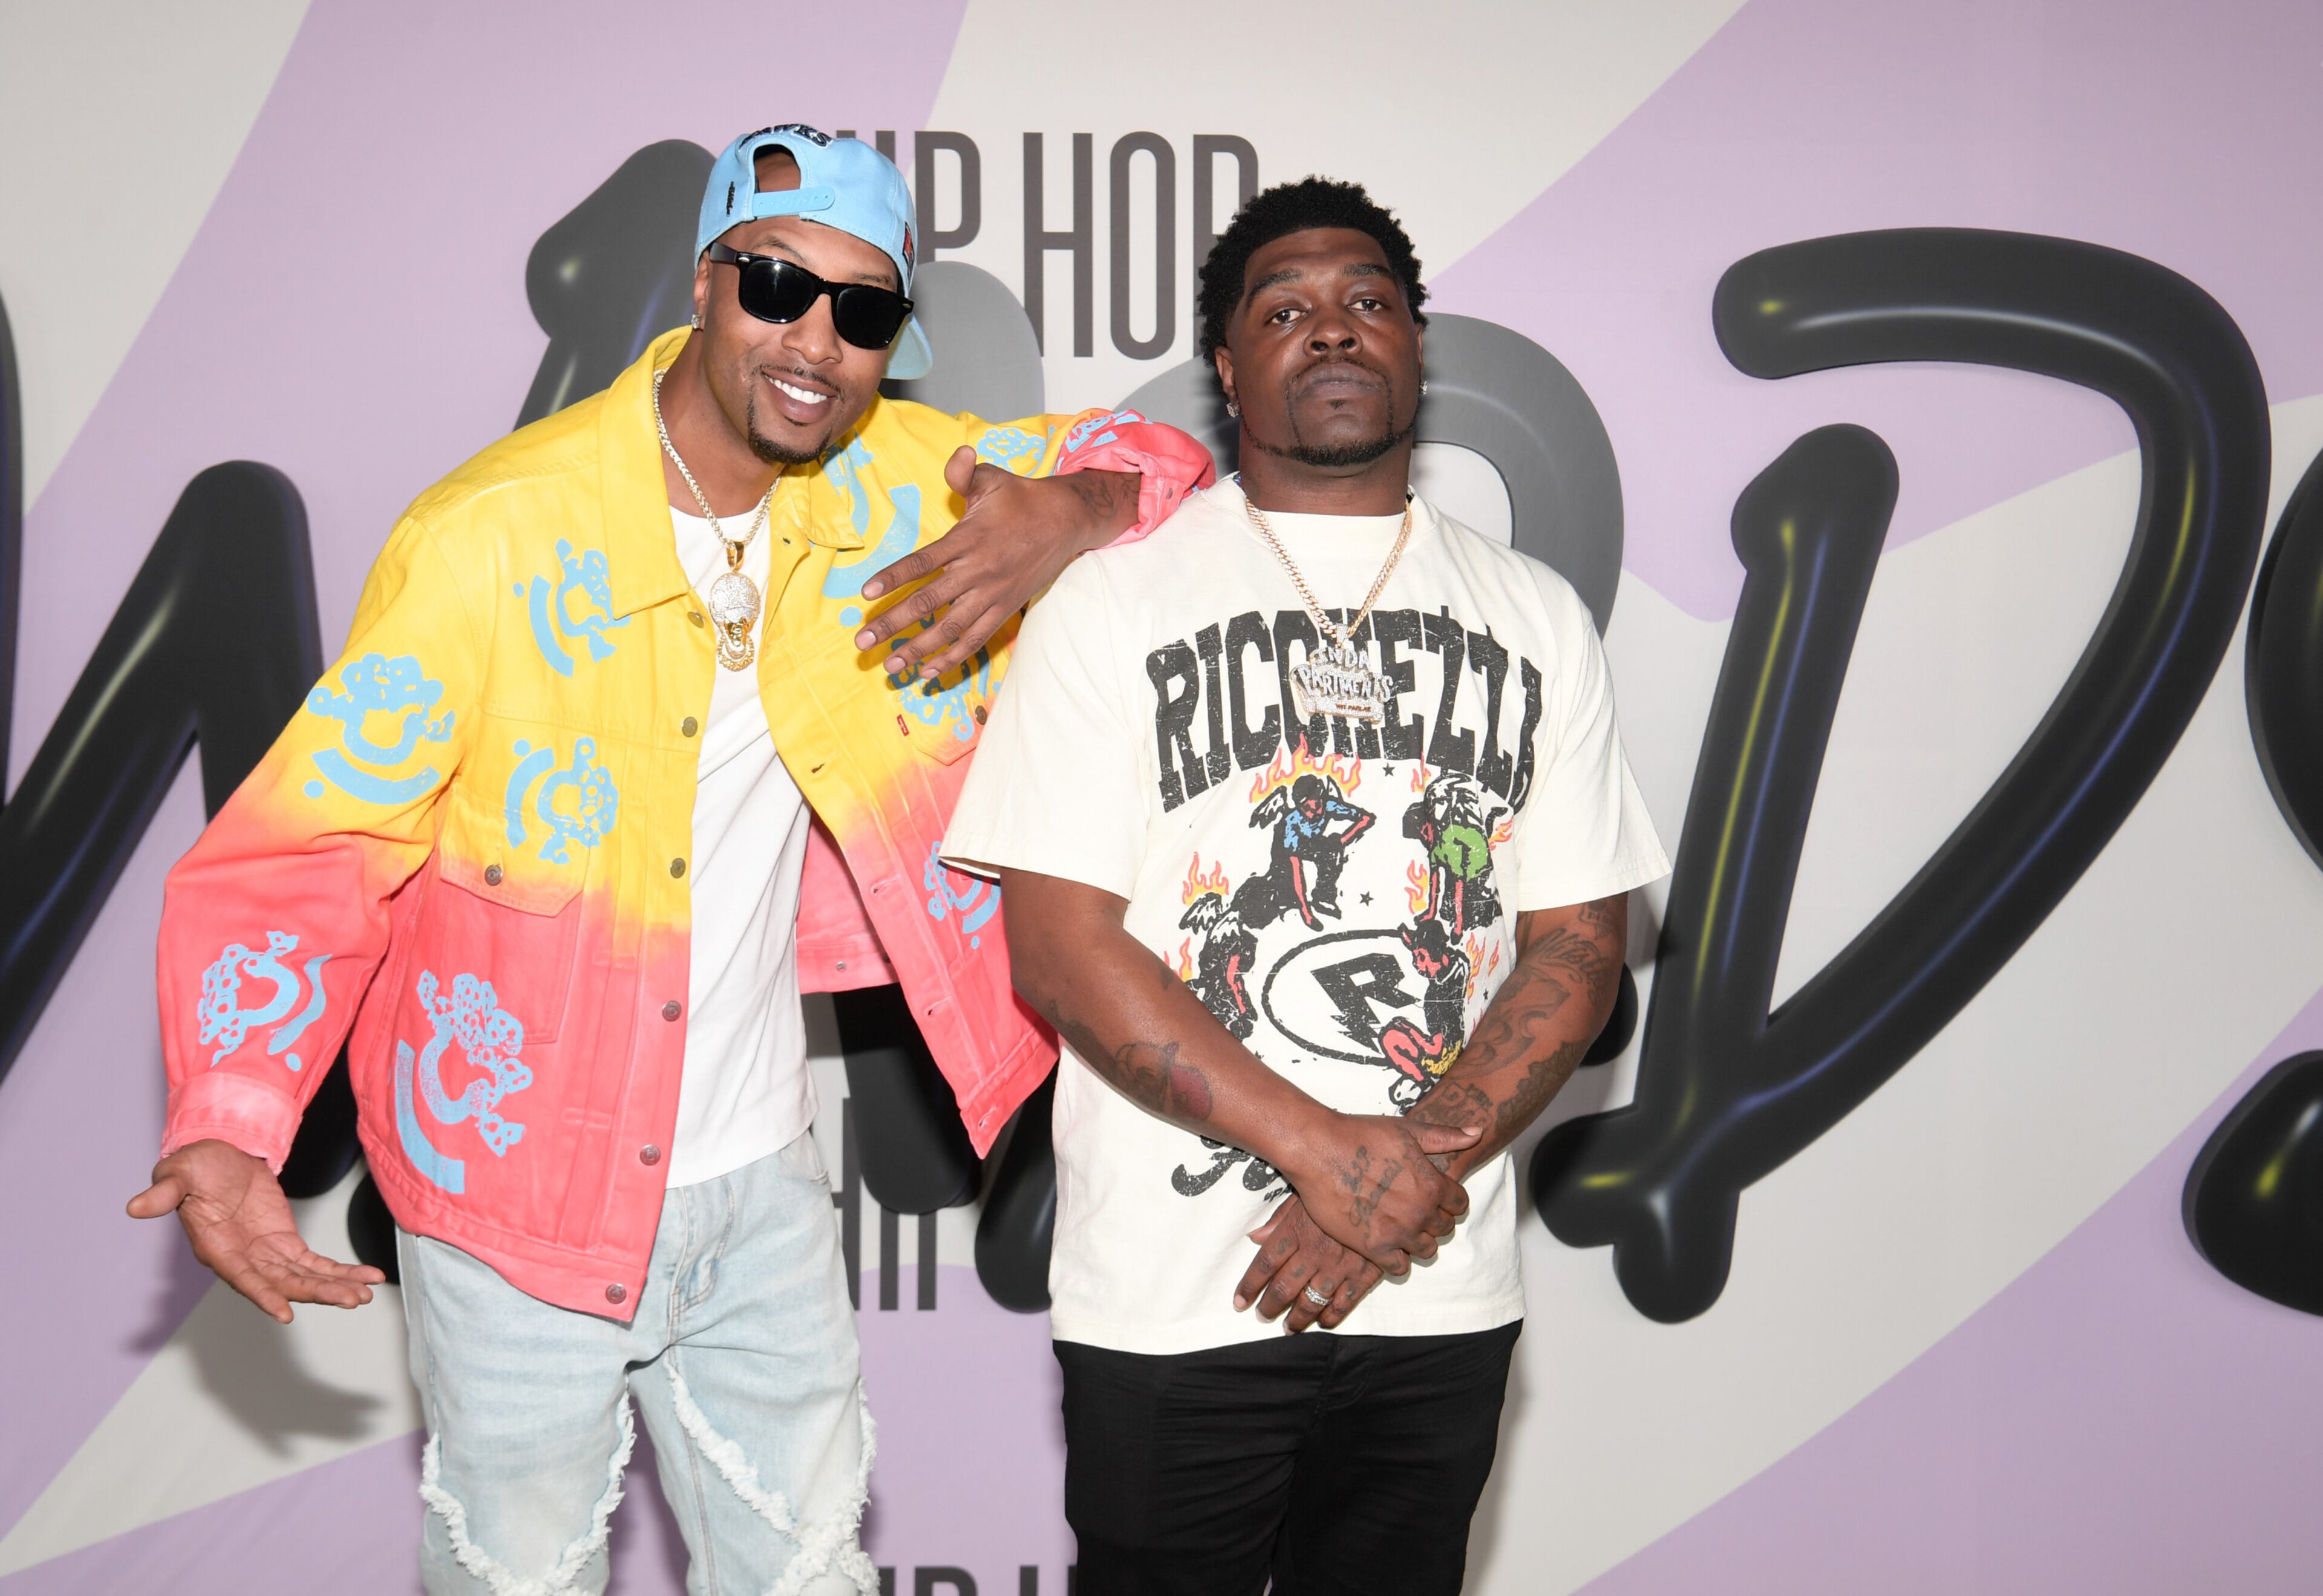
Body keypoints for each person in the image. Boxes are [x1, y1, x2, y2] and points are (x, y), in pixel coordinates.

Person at [128, 125, 1212, 1595]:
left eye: (865, 310)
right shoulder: (492, 538)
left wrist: (1064, 519)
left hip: (757, 1181)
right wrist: (228, 1120)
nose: (816, 342)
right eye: (776, 287)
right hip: (513, 1196)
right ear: (704, 282)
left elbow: (1164, 462)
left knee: (809, 1571)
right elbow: (310, 848)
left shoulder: (912, 482)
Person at [943, 177, 1669, 1595]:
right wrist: (1334, 1161)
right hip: (1174, 1295)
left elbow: (1578, 955)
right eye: (1284, 311)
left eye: (1366, 304)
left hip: (1437, 1286)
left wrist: (1398, 1176)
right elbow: (1062, 953)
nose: (1330, 332)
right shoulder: (1110, 603)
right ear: (1228, 369)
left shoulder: (1533, 616)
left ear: (1415, 343)